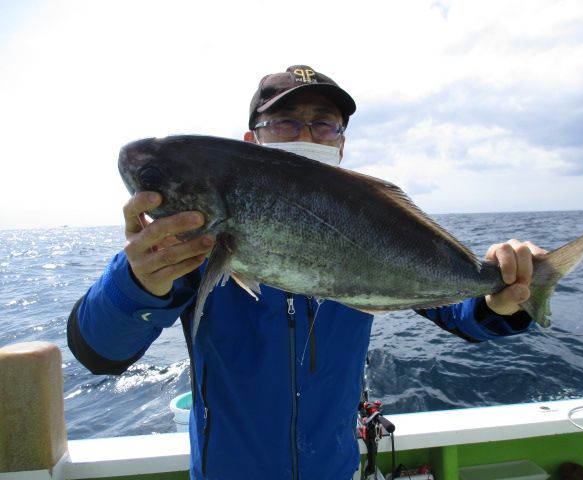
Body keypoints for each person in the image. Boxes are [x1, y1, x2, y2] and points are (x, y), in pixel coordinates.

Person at [67, 65, 543, 480]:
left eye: (324, 124)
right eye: (285, 122)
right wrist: (136, 282)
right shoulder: (190, 253)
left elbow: (464, 316)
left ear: (341, 144)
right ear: (252, 141)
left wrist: (502, 296)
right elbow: (100, 352)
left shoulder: (368, 221)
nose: (307, 136)